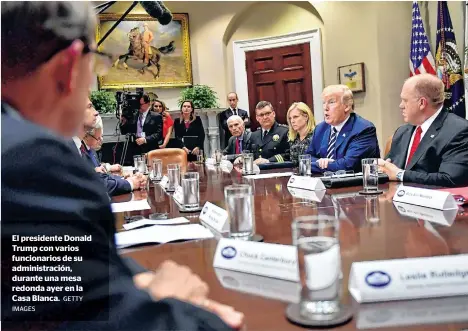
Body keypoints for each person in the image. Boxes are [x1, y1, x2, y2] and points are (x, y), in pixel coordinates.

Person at [1, 2, 243, 330]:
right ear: (69, 66)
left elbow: (75, 275)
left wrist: (140, 281)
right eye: (96, 66)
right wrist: (187, 307)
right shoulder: (28, 160)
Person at [379, 74, 468, 187]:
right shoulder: (402, 132)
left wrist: (401, 174)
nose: (401, 105)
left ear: (422, 103)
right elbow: (389, 168)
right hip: (396, 199)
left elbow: (450, 178)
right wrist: (381, 168)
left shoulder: (458, 130)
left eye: (405, 100)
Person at [306, 85, 380, 173]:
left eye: (331, 102)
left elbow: (348, 166)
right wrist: (322, 163)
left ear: (347, 106)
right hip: (324, 184)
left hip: (355, 185)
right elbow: (306, 160)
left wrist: (324, 164)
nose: (325, 108)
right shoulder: (320, 129)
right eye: (324, 102)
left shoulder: (364, 129)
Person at [286, 102, 316, 167]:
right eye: (290, 118)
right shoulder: (293, 138)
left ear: (306, 117)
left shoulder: (316, 135)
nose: (292, 121)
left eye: (295, 117)